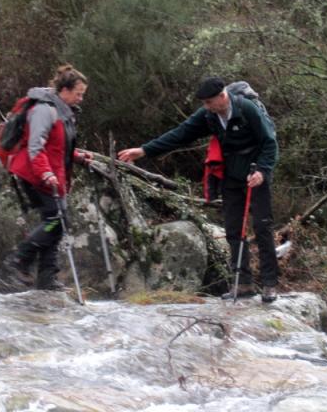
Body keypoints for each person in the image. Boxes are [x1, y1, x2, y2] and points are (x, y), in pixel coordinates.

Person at [117, 77, 280, 302]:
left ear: (222, 97)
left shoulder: (247, 109)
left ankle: (270, 284)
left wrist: (262, 171)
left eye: (209, 102)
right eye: (204, 103)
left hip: (256, 174)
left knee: (262, 227)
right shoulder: (208, 115)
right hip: (231, 175)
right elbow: (180, 134)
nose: (206, 107)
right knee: (234, 230)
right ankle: (242, 284)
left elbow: (270, 142)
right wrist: (144, 150)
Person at [5, 64, 92, 290]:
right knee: (55, 220)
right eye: (78, 93)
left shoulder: (63, 110)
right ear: (65, 90)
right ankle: (20, 259)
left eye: (82, 94)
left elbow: (58, 147)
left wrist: (78, 157)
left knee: (57, 222)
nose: (81, 99)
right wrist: (45, 172)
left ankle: (46, 279)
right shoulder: (46, 109)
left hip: (53, 174)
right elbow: (36, 146)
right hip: (35, 172)